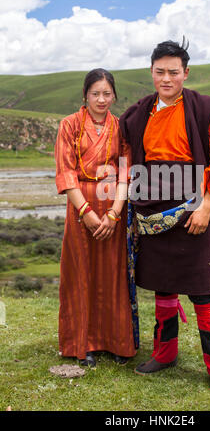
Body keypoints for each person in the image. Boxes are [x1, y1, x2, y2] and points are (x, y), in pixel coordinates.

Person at [119, 39, 210, 392]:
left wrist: (206, 205)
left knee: (201, 291)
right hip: (151, 213)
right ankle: (165, 353)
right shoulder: (139, 114)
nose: (166, 78)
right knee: (163, 288)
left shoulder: (204, 109)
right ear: (151, 73)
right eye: (159, 72)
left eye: (173, 72)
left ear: (186, 73)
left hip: (191, 211)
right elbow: (126, 157)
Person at [55, 68, 137, 367]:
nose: (101, 99)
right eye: (95, 94)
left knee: (112, 274)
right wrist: (86, 212)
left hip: (114, 204)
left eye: (107, 93)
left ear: (114, 95)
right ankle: (82, 343)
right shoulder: (70, 125)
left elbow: (127, 171)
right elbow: (65, 172)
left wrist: (115, 212)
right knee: (81, 273)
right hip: (81, 208)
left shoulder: (121, 127)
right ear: (85, 95)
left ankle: (116, 342)